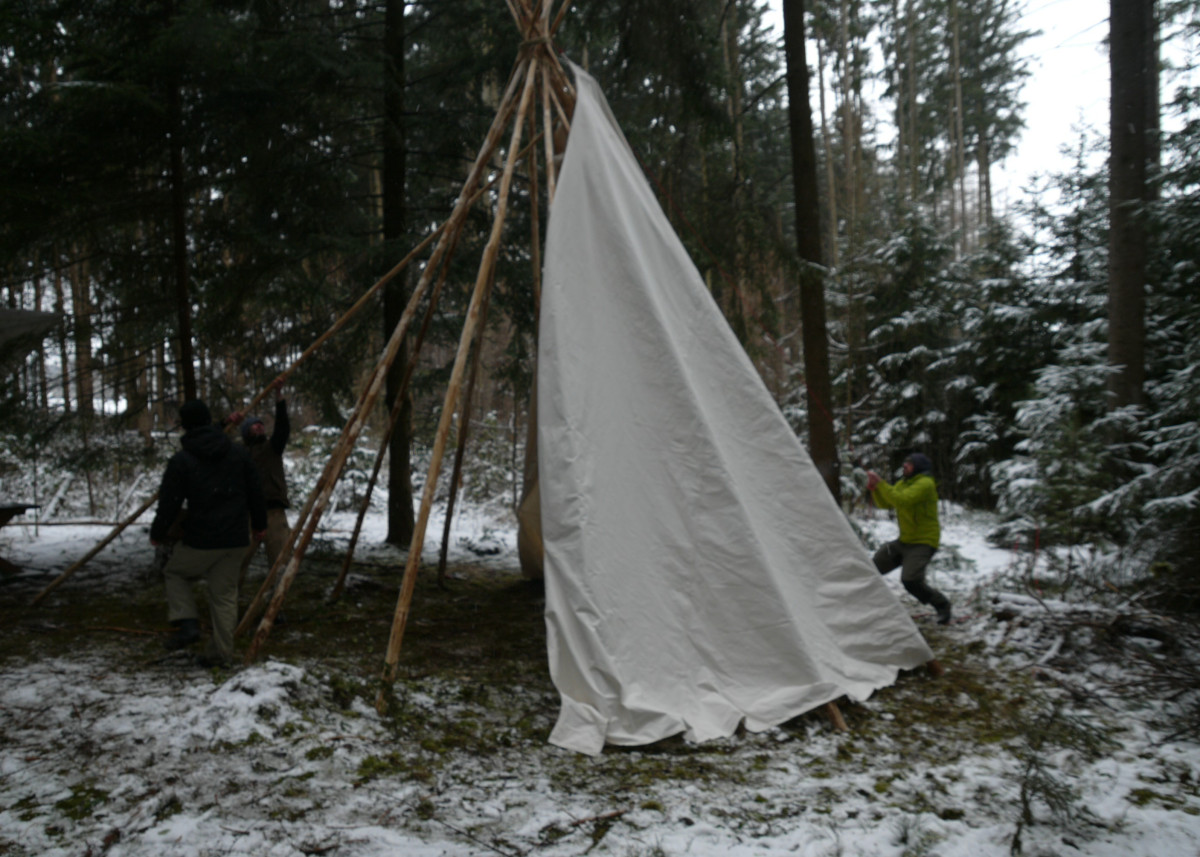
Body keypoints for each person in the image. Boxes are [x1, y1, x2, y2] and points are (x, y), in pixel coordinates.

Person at [150, 398, 267, 666]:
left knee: (175, 572)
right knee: (224, 596)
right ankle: (222, 654)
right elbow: (255, 492)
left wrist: (158, 532)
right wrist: (260, 525)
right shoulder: (238, 454)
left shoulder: (182, 460)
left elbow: (169, 502)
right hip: (236, 537)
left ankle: (187, 622)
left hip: (201, 538)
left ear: (184, 426)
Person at [866, 452, 952, 625]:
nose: (905, 466)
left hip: (923, 542)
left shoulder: (925, 484)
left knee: (911, 580)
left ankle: (942, 605)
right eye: (905, 463)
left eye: (909, 464)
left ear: (918, 467)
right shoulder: (903, 483)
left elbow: (902, 500)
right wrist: (875, 489)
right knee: (872, 567)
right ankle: (865, 606)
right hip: (904, 541)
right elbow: (886, 504)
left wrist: (881, 483)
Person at [226, 380, 292, 577]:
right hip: (247, 515)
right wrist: (229, 423)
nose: (260, 428)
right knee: (238, 563)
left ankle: (276, 601)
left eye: (261, 425)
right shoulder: (237, 453)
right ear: (246, 431)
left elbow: (283, 428)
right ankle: (230, 604)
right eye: (254, 426)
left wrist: (279, 397)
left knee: (280, 562)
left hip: (273, 511)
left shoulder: (272, 448)